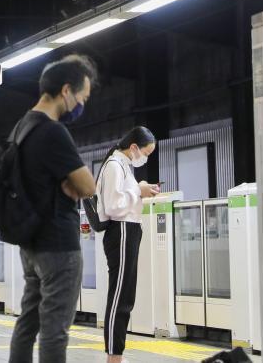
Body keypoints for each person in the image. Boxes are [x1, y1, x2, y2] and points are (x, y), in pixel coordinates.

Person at [9, 54, 98, 363]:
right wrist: (72, 184)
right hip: (58, 245)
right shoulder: (52, 131)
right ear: (66, 91)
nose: (81, 104)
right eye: (82, 96)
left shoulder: (21, 127)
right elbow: (88, 187)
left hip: (31, 244)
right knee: (55, 329)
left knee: (28, 322)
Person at [97, 126, 159, 363]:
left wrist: (138, 189)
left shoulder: (123, 166)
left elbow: (124, 196)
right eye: (146, 152)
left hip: (129, 230)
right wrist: (138, 190)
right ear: (133, 147)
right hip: (121, 230)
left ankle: (116, 356)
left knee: (125, 295)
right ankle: (114, 357)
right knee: (120, 298)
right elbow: (113, 205)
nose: (145, 158)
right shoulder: (114, 165)